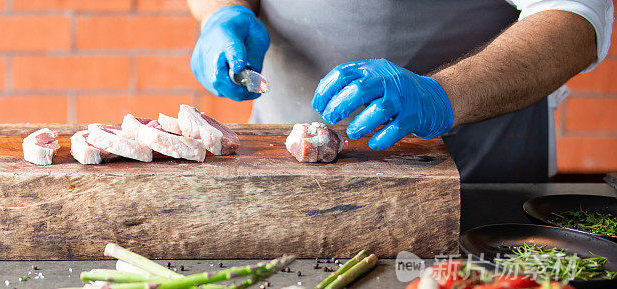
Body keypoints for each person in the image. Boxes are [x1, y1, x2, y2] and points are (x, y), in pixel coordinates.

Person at [186, 1, 613, 182]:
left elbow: (577, 19)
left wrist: (441, 94)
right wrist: (222, 13)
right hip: (288, 179)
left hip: (480, 181)